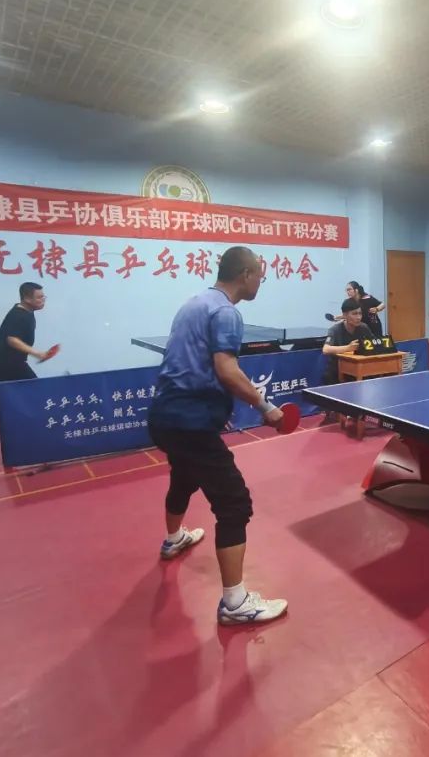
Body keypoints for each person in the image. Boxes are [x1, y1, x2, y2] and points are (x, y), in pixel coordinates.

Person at [147, 246, 288, 626]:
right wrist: (266, 407)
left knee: (184, 475)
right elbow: (226, 370)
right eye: (260, 276)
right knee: (234, 504)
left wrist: (214, 410)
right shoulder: (227, 312)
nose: (261, 283)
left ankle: (174, 538)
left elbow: (190, 364)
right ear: (245, 275)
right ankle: (235, 603)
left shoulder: (194, 303)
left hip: (165, 416)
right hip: (189, 422)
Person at [0, 282, 55, 427]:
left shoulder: (27, 312)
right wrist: (37, 353)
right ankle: (44, 421)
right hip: (6, 362)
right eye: (39, 297)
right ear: (27, 299)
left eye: (43, 297)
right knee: (35, 387)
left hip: (6, 360)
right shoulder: (18, 315)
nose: (43, 300)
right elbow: (12, 340)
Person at [321, 298, 376, 385]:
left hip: (359, 371)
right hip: (336, 374)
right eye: (354, 314)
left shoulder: (364, 328)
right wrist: (348, 348)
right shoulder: (335, 329)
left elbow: (374, 343)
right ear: (345, 315)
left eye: (360, 313)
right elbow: (326, 349)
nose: (358, 317)